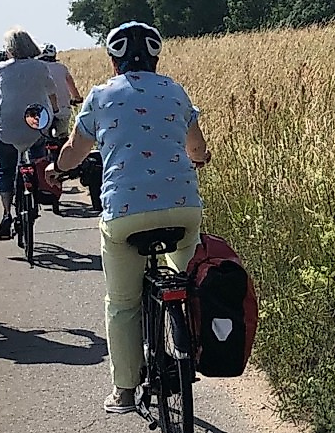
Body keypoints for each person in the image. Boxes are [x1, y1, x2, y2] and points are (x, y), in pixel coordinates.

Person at [45, 21, 212, 413]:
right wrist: (200, 159)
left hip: (125, 214)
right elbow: (197, 147)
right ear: (156, 57)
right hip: (184, 209)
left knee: (122, 303)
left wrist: (58, 168)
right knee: (191, 279)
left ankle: (123, 390)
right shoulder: (174, 90)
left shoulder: (101, 95)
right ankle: (193, 342)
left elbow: (74, 150)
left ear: (114, 59)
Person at [0, 27, 60, 240]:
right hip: (36, 124)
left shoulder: (2, 69)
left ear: (9, 49)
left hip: (6, 127)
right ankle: (37, 188)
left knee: (5, 169)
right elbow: (52, 92)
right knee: (38, 158)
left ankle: (7, 213)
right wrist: (53, 111)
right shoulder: (41, 66)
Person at [37, 43, 83, 137]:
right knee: (62, 136)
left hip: (43, 112)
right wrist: (77, 99)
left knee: (40, 139)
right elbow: (73, 88)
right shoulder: (62, 68)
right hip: (63, 110)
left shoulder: (37, 68)